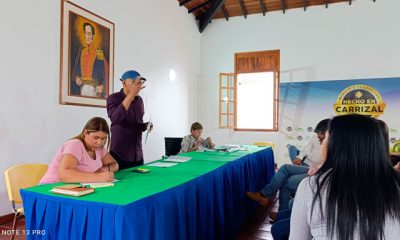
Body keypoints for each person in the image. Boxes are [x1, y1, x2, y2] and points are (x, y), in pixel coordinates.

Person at [290, 114, 400, 240]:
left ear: (336, 146)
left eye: (325, 138)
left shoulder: (311, 186)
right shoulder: (395, 186)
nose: (323, 143)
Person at [246, 119, 330, 212]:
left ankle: (278, 209)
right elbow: (306, 149)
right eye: (318, 137)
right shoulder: (317, 138)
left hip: (316, 171)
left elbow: (327, 166)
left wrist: (316, 168)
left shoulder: (332, 145)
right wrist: (299, 158)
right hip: (310, 167)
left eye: (321, 138)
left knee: (286, 180)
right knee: (289, 154)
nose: (320, 140)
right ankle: (265, 196)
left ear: (328, 133)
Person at [40, 117, 118, 184]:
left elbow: (114, 165)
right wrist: (97, 177)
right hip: (51, 188)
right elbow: (63, 174)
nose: (100, 142)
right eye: (96, 137)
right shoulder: (75, 144)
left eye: (104, 139)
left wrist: (101, 170)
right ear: (85, 133)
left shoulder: (99, 148)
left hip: (75, 188)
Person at [106, 70, 153, 170]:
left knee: (138, 183)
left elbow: (137, 124)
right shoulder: (113, 98)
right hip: (120, 154)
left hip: (137, 154)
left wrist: (145, 126)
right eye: (135, 82)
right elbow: (115, 118)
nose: (138, 86)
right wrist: (130, 96)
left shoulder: (139, 101)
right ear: (123, 82)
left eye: (140, 82)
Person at [71, 22, 108, 98]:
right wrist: (77, 78)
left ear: (93, 36)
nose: (87, 36)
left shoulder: (99, 53)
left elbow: (104, 73)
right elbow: (77, 71)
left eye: (89, 34)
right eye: (86, 33)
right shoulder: (81, 51)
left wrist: (102, 86)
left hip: (94, 89)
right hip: (82, 88)